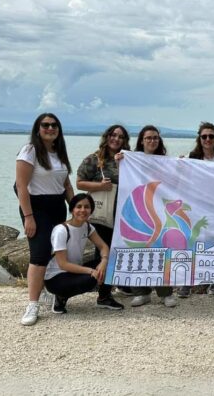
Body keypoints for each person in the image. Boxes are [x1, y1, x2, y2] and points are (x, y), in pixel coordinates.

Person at [16, 113, 74, 326]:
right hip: (36, 207)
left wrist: (75, 208)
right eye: (45, 125)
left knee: (53, 250)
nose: (50, 128)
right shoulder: (30, 151)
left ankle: (46, 291)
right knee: (39, 254)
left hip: (57, 205)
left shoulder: (58, 152)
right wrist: (28, 217)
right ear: (38, 128)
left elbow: (66, 185)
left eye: (54, 125)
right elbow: (22, 186)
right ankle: (33, 303)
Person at [76, 124, 131, 310]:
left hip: (124, 214)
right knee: (105, 251)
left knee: (120, 250)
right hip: (103, 215)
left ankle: (117, 283)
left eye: (121, 136)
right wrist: (99, 186)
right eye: (113, 135)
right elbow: (79, 183)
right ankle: (103, 295)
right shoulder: (94, 159)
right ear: (107, 137)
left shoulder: (128, 158)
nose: (116, 139)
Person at [176, 122, 214, 299]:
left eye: (211, 136)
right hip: (196, 209)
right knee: (192, 245)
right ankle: (186, 282)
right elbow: (176, 175)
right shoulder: (192, 158)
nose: (207, 139)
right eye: (204, 136)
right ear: (199, 139)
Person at [129, 126, 178, 308]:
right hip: (138, 212)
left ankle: (165, 292)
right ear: (141, 140)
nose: (152, 141)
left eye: (155, 138)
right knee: (137, 250)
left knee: (161, 251)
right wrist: (120, 160)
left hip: (159, 211)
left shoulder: (166, 161)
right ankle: (141, 292)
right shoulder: (132, 160)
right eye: (148, 138)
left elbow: (175, 182)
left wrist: (180, 165)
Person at [44, 193, 111, 314]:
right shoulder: (61, 230)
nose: (83, 210)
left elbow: (104, 246)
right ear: (72, 209)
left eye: (87, 207)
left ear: (91, 210)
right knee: (90, 279)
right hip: (56, 277)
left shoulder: (87, 226)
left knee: (110, 263)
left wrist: (104, 261)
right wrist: (91, 271)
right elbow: (63, 264)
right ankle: (60, 296)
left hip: (74, 271)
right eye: (78, 207)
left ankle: (104, 298)